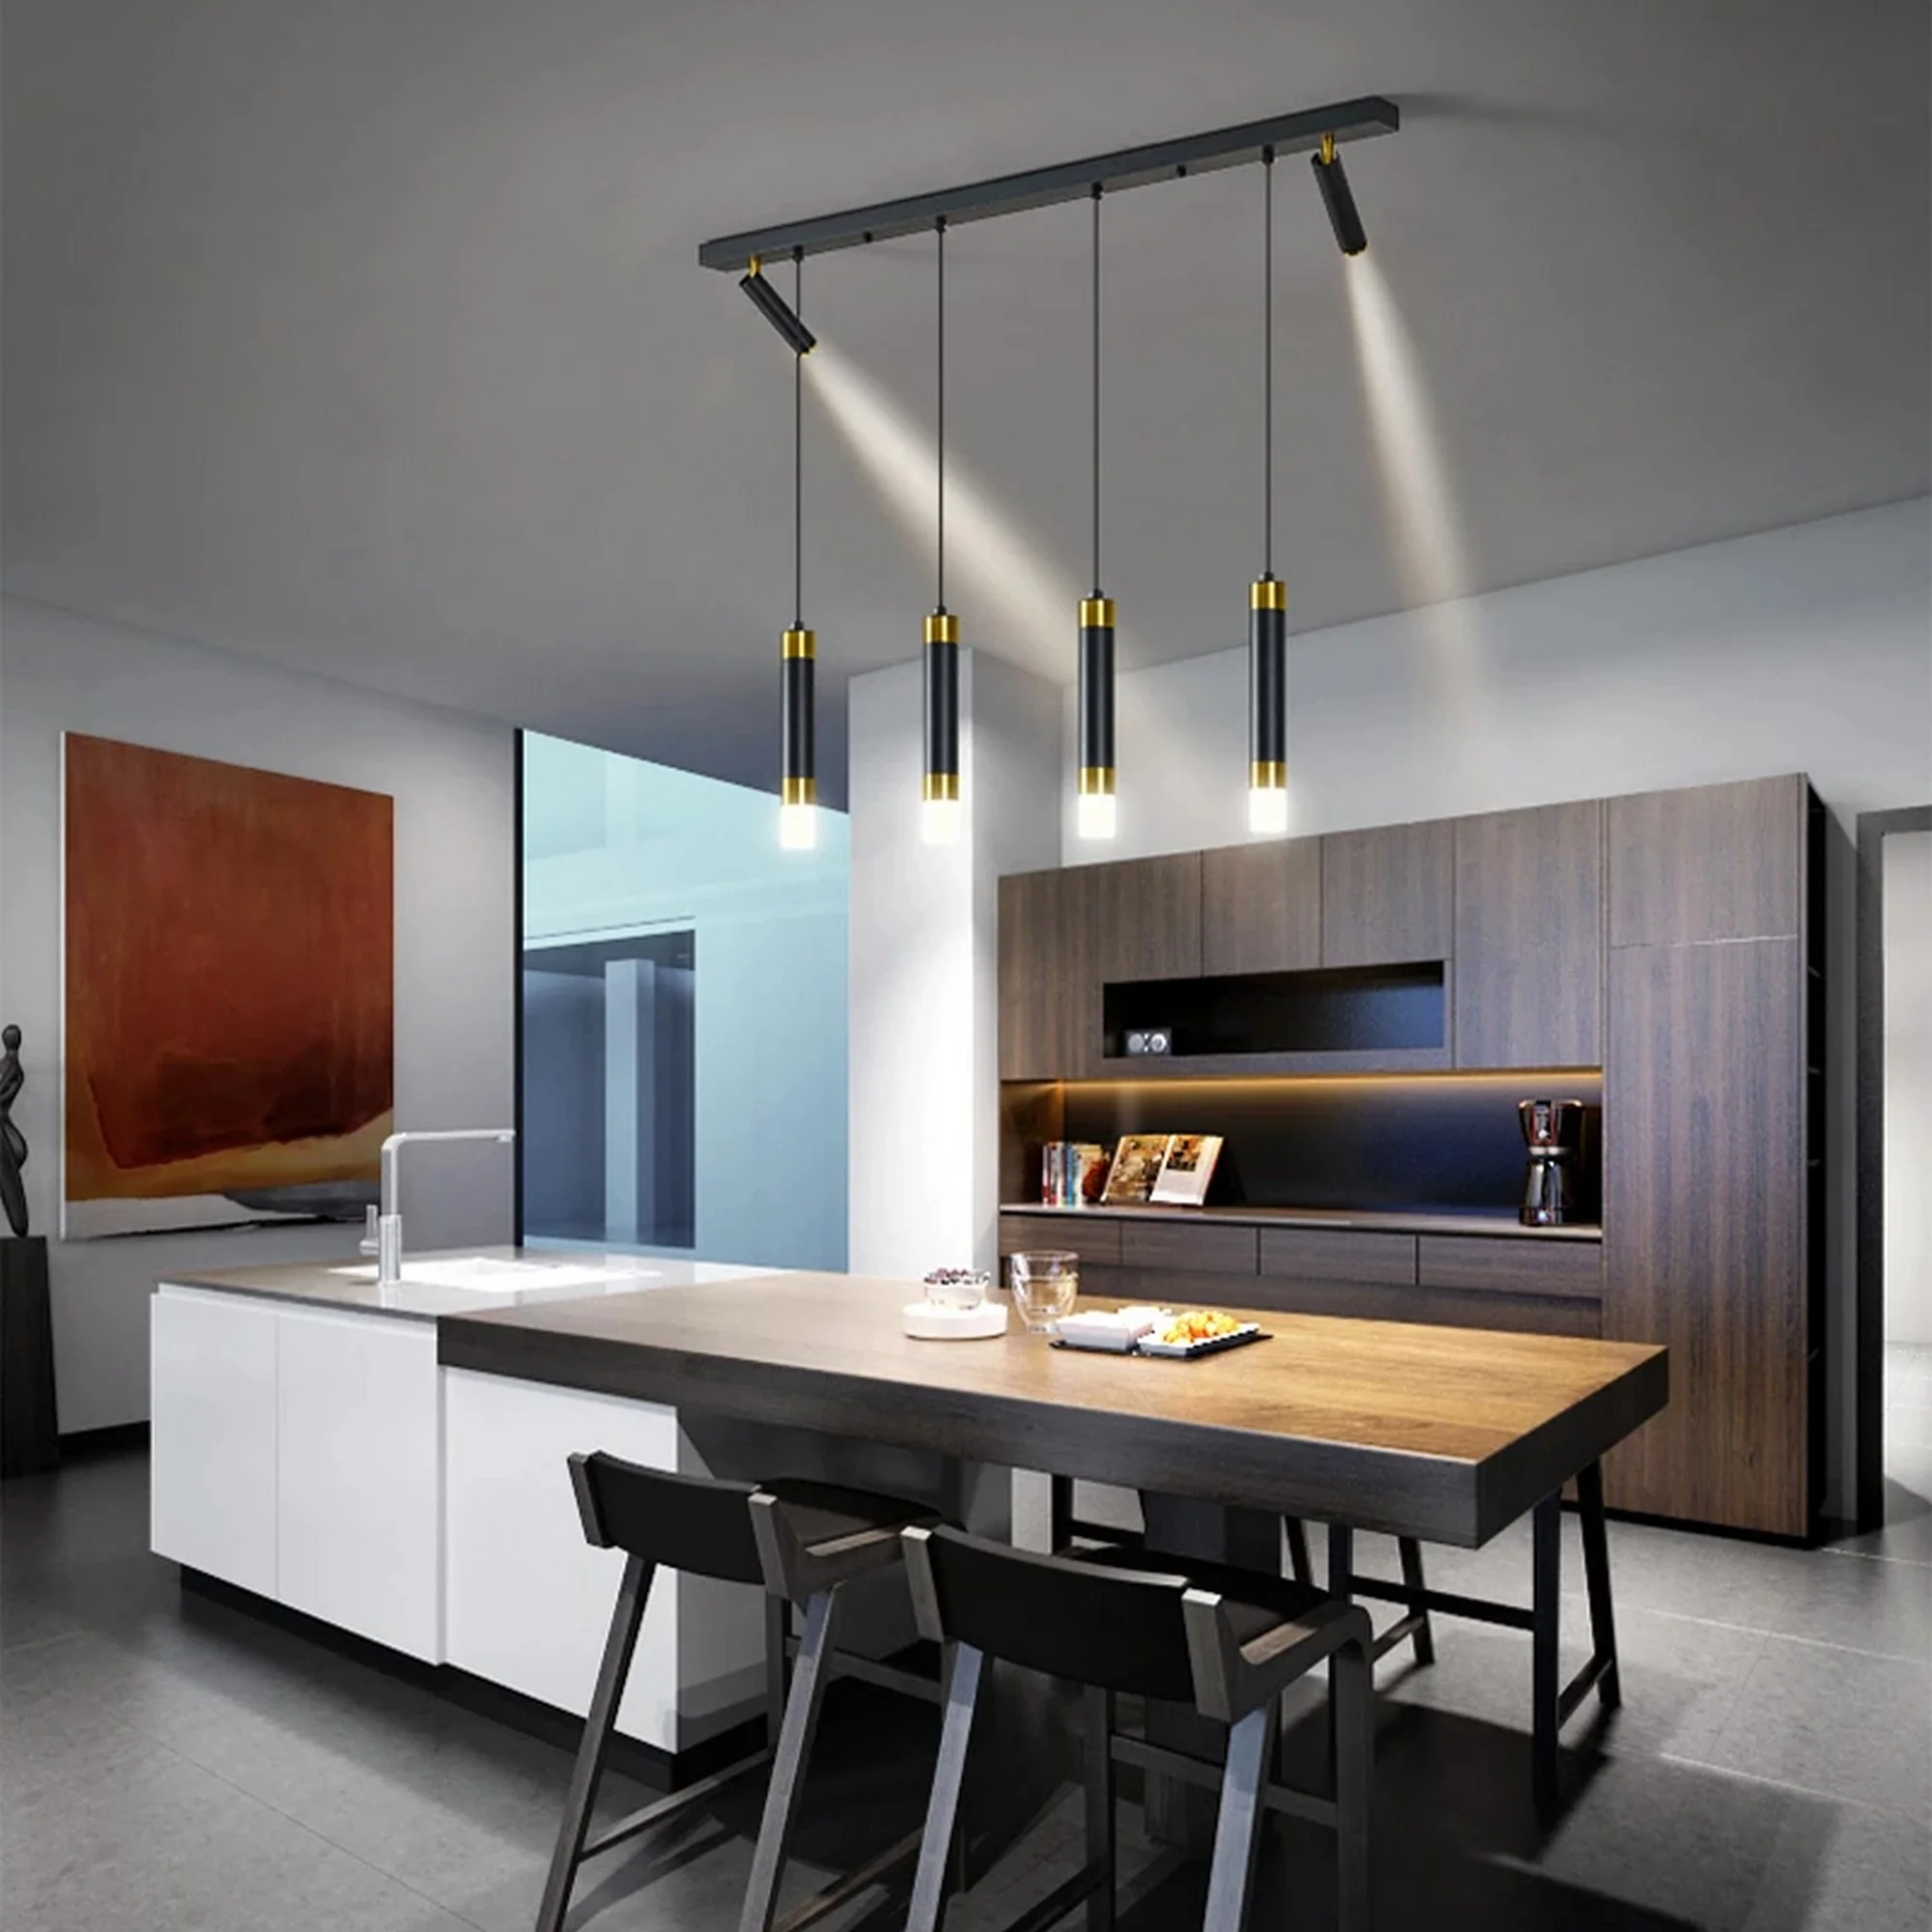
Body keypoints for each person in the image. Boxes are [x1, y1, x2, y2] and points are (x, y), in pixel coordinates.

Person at [0, 1023, 29, 1239]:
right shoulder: (12, 1068)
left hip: (5, 1126)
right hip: (5, 1126)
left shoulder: (11, 1068)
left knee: (16, 1156)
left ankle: (19, 1225)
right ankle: (18, 1223)